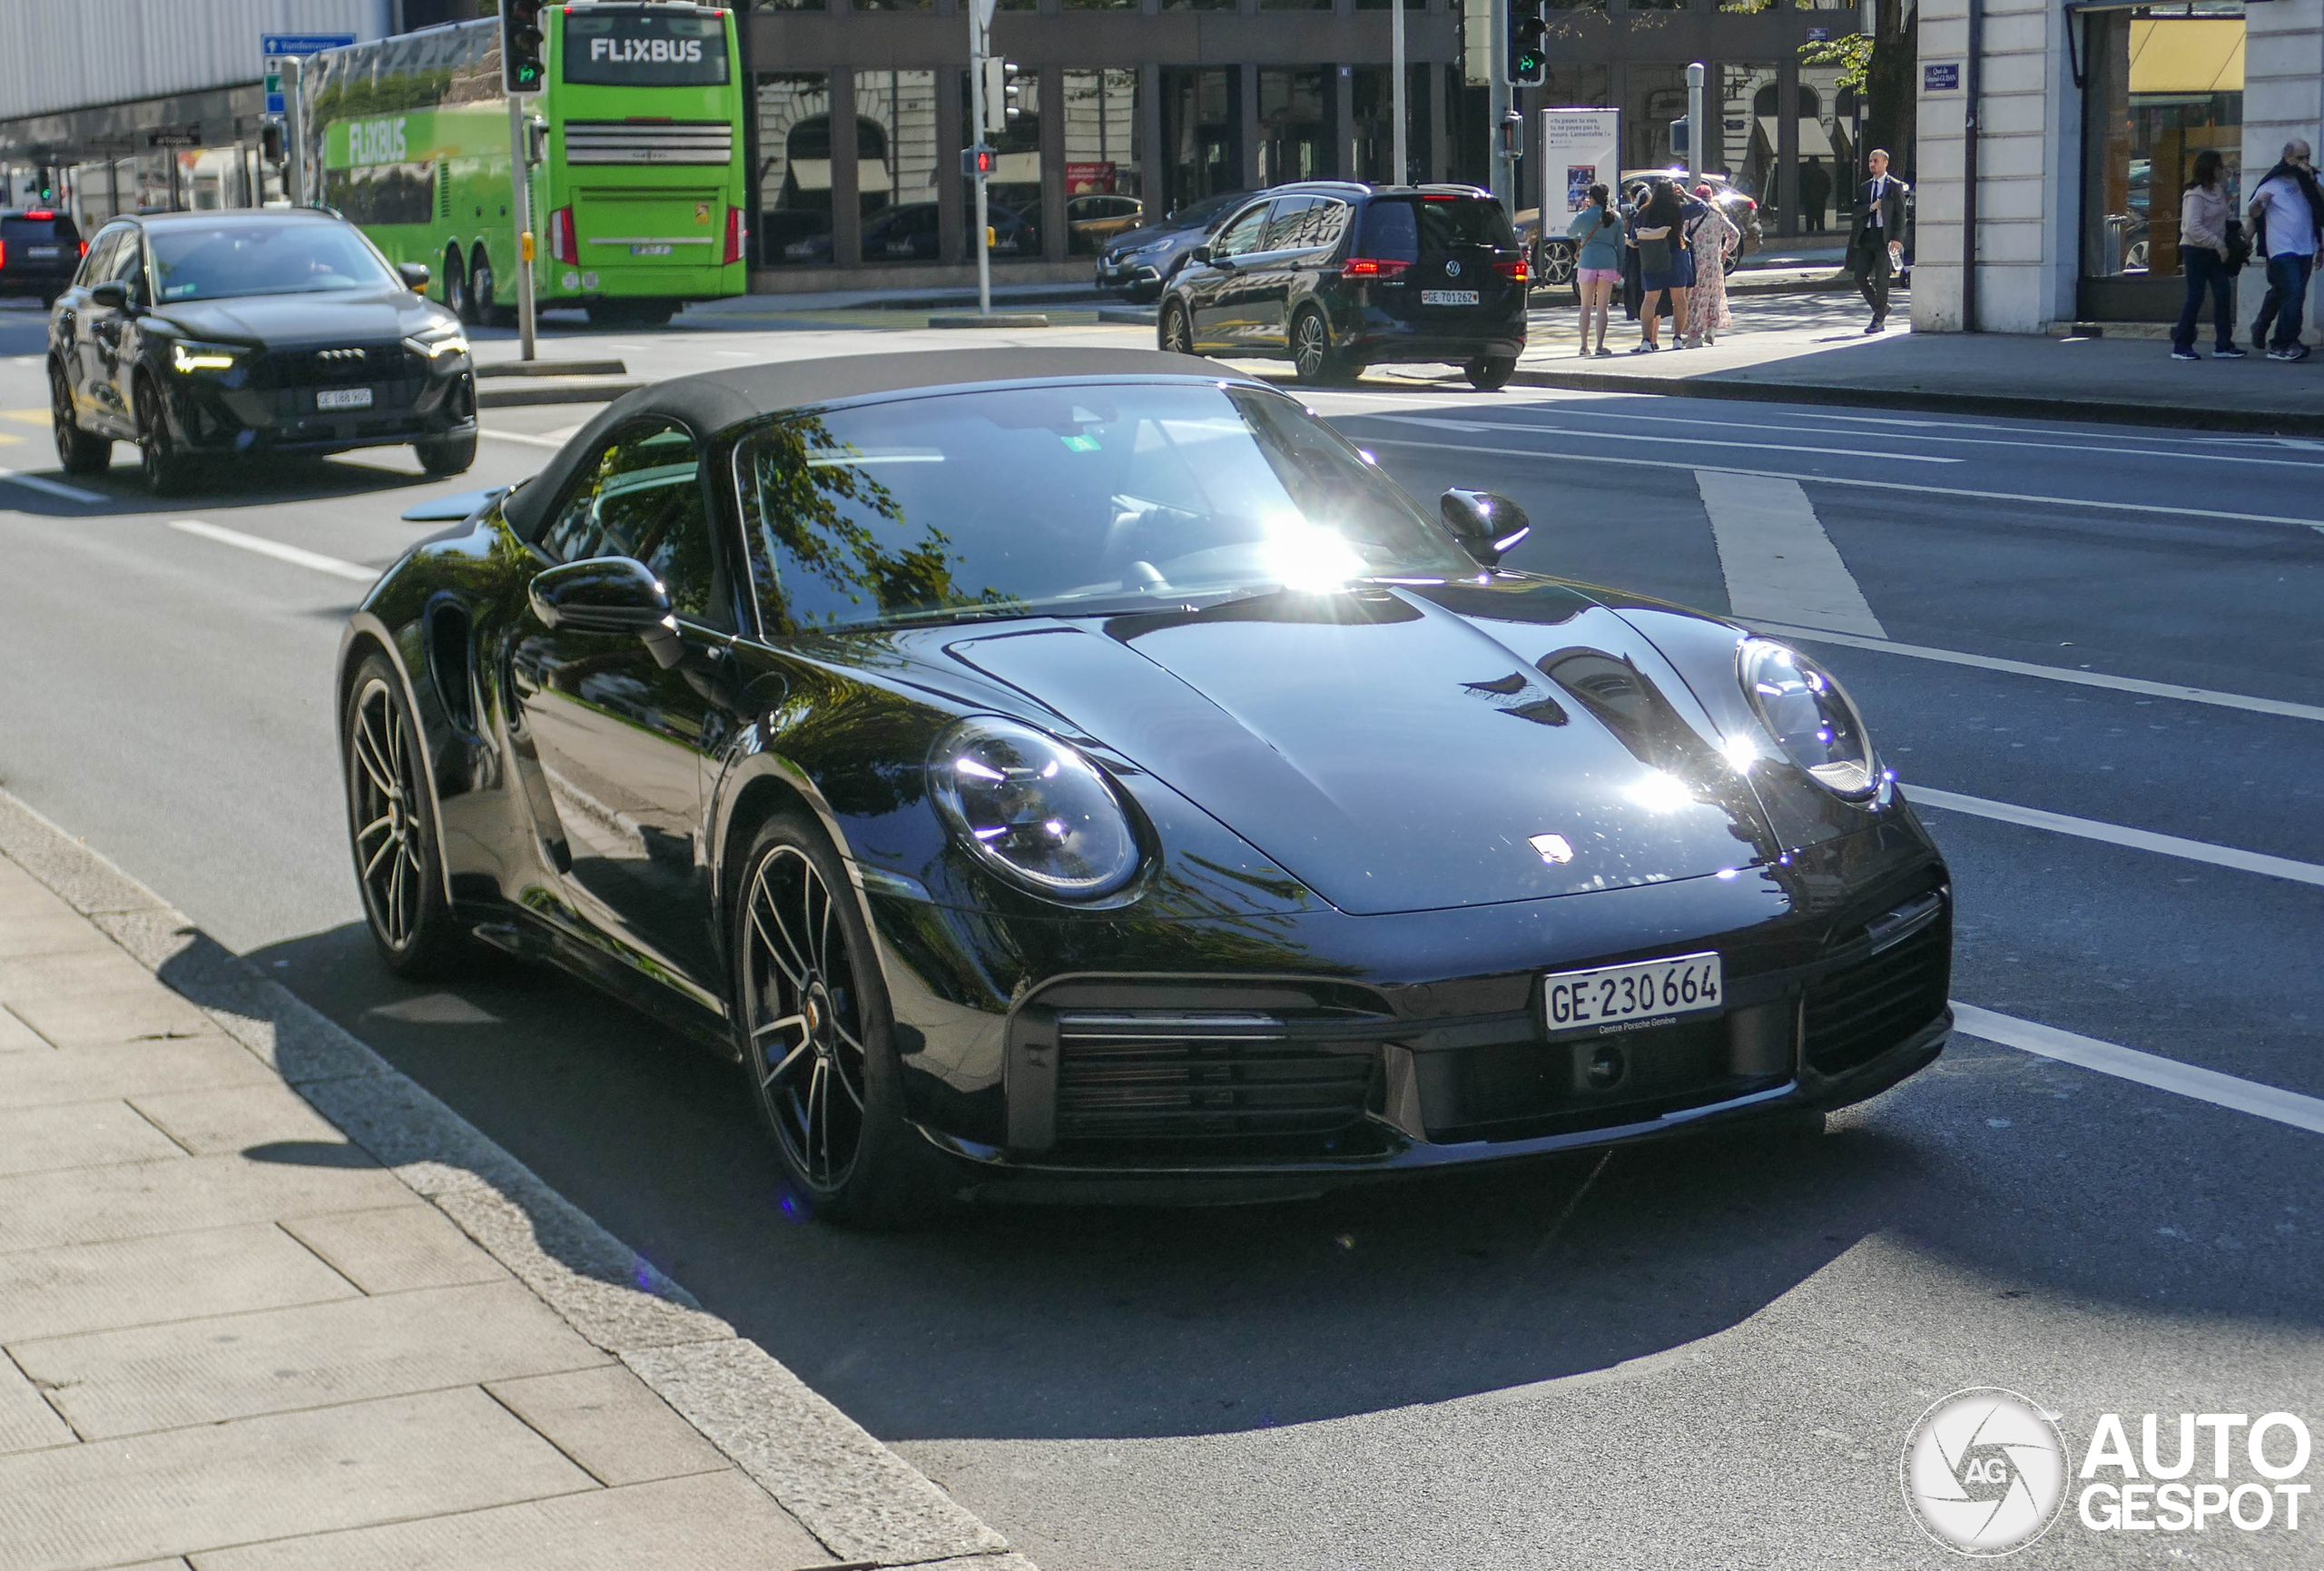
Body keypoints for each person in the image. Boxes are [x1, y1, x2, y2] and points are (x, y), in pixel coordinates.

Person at [2247, 138, 2323, 362]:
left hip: (2306, 246)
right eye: (2300, 158)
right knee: (2293, 291)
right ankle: (2283, 342)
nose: (2304, 162)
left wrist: (2312, 180)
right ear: (2288, 157)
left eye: (2307, 157)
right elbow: (2253, 213)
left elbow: (2321, 208)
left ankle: (2261, 324)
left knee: (2285, 292)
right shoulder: (2273, 181)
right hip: (2281, 248)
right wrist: (2259, 202)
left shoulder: (2312, 178)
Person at [2171, 150, 2243, 361]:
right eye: (2220, 166)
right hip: (2195, 250)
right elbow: (2192, 227)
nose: (2223, 170)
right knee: (2196, 296)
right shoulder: (2195, 194)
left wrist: (2237, 230)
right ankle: (2182, 344)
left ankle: (2224, 344)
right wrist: (2217, 243)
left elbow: (2224, 216)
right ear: (2210, 168)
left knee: (2223, 293)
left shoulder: (2217, 191)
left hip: (2215, 251)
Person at [1846, 148, 1909, 333]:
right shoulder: (1865, 187)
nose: (1872, 165)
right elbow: (1856, 211)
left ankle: (1878, 319)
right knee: (1859, 277)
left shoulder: (1894, 185)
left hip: (1885, 237)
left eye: (1876, 161)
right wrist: (1871, 207)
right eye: (1870, 162)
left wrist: (1898, 238)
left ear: (1885, 163)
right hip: (1866, 237)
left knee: (1882, 279)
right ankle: (1880, 306)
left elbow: (1901, 215)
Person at [1567, 183, 1625, 358]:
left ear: (1591, 198)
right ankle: (1600, 345)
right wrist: (1620, 268)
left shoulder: (1584, 216)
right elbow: (1620, 245)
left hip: (1587, 261)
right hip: (1608, 261)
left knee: (1585, 306)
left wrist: (1582, 212)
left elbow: (1570, 232)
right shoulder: (1616, 217)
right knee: (1603, 307)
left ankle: (1584, 346)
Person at [1629, 180, 1684, 352]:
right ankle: (1677, 339)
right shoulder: (1677, 209)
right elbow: (1703, 207)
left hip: (1651, 259)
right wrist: (1684, 194)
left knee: (1650, 300)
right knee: (1679, 299)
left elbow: (1634, 237)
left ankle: (1646, 340)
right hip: (1675, 256)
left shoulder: (1644, 212)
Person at [1683, 183, 1739, 347]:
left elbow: (1682, 233)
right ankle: (1712, 329)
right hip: (1715, 263)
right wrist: (1725, 250)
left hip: (1696, 261)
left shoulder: (1691, 216)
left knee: (1695, 297)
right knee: (1714, 295)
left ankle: (1695, 335)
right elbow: (1734, 234)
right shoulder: (1718, 215)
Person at [1800, 156, 1832, 234]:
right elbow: (1828, 188)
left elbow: (1803, 188)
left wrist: (1804, 199)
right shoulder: (1823, 174)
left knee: (1810, 225)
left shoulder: (1806, 175)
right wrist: (1823, 198)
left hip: (1810, 202)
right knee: (1820, 223)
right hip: (1819, 202)